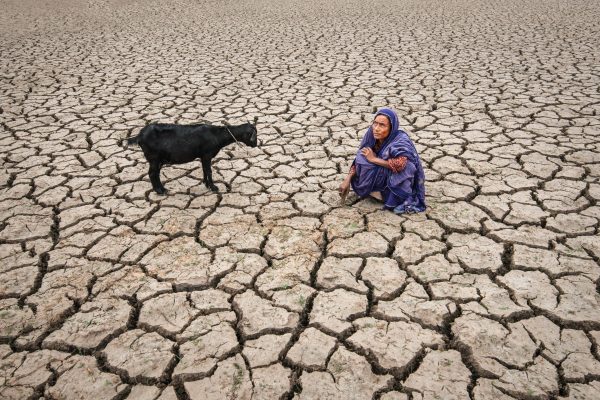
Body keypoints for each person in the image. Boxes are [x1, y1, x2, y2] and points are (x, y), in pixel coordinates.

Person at [338, 108, 426, 214]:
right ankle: (372, 189)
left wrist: (374, 159)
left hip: (393, 178)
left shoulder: (400, 140)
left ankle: (390, 195)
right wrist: (347, 179)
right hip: (381, 172)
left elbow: (400, 164)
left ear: (391, 127)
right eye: (375, 123)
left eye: (382, 125)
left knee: (408, 167)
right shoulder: (372, 135)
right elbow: (358, 160)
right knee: (362, 156)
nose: (376, 128)